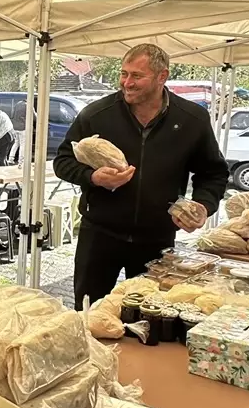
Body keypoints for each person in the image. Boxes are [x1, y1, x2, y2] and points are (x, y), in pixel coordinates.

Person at [53, 43, 228, 305]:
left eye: (136, 76)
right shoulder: (96, 115)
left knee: (150, 316)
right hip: (100, 236)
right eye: (124, 74)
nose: (127, 83)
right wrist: (94, 177)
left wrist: (204, 205)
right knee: (89, 313)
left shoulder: (193, 119)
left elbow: (213, 173)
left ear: (162, 76)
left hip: (156, 239)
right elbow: (63, 161)